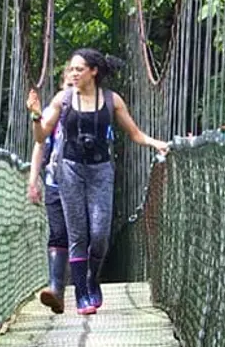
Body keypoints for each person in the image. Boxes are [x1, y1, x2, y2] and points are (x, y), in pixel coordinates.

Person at [39, 49, 168, 315]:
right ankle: (81, 296)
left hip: (100, 171)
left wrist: (158, 144)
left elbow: (134, 133)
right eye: (71, 69)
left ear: (93, 71)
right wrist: (33, 115)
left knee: (99, 235)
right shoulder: (63, 99)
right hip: (70, 170)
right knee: (78, 234)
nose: (73, 74)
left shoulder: (111, 100)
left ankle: (91, 279)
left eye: (79, 69)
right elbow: (41, 135)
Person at [26, 66, 75, 314]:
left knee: (87, 234)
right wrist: (33, 181)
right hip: (55, 180)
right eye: (67, 87)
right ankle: (56, 288)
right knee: (58, 233)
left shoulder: (95, 110)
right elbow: (40, 144)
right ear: (60, 89)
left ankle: (84, 287)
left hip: (85, 184)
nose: (70, 93)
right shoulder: (53, 113)